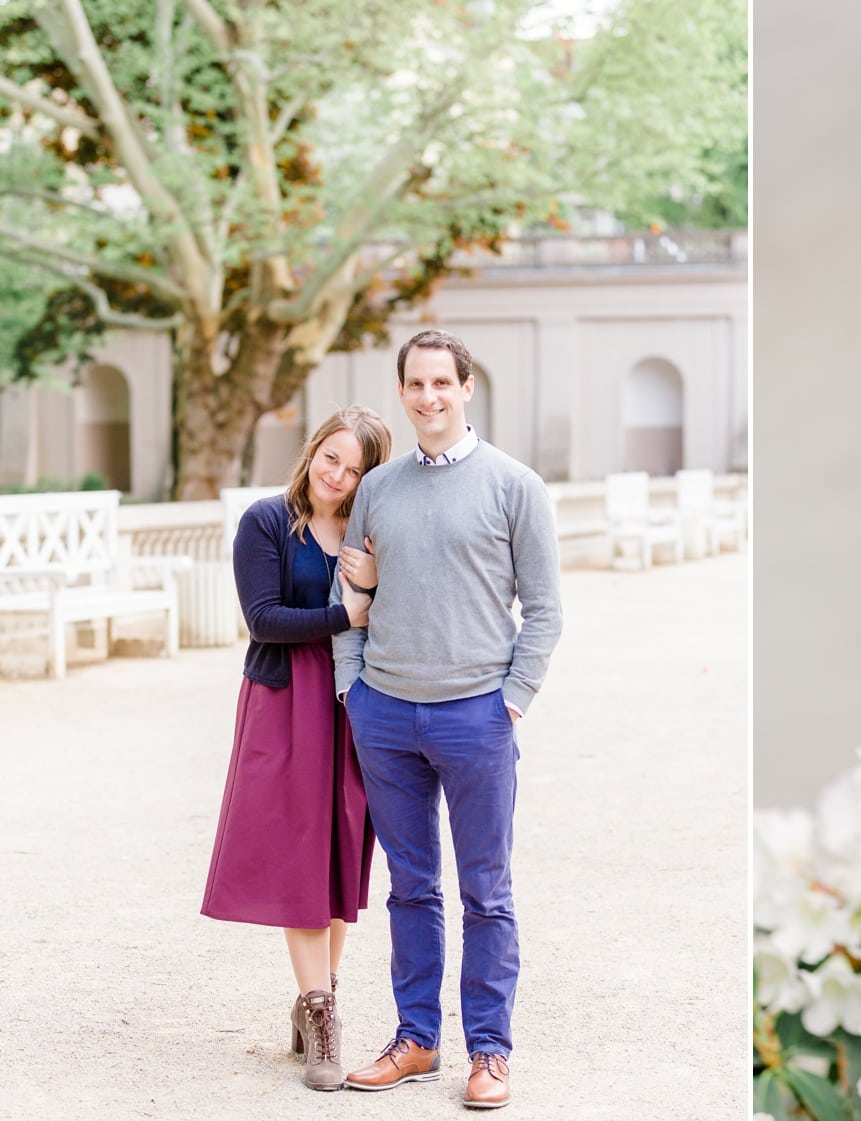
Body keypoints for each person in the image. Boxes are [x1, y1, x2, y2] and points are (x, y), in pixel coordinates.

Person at [331, 328, 562, 1110]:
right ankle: (417, 1038)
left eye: (442, 383)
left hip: (476, 715)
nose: (428, 397)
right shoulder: (379, 488)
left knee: (487, 892)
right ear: (402, 393)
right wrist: (350, 689)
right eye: (415, 385)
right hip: (386, 711)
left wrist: (512, 698)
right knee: (410, 887)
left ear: (467, 387)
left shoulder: (514, 485)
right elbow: (351, 596)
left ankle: (490, 1052)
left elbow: (546, 610)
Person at [201, 405, 393, 1092]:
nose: (336, 475)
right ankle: (322, 1016)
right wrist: (346, 612)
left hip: (351, 704)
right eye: (330, 458)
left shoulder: (369, 531)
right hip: (285, 703)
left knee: (342, 855)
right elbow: (263, 619)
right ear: (313, 451)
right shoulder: (266, 522)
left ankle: (319, 994)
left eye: (354, 468)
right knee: (300, 858)